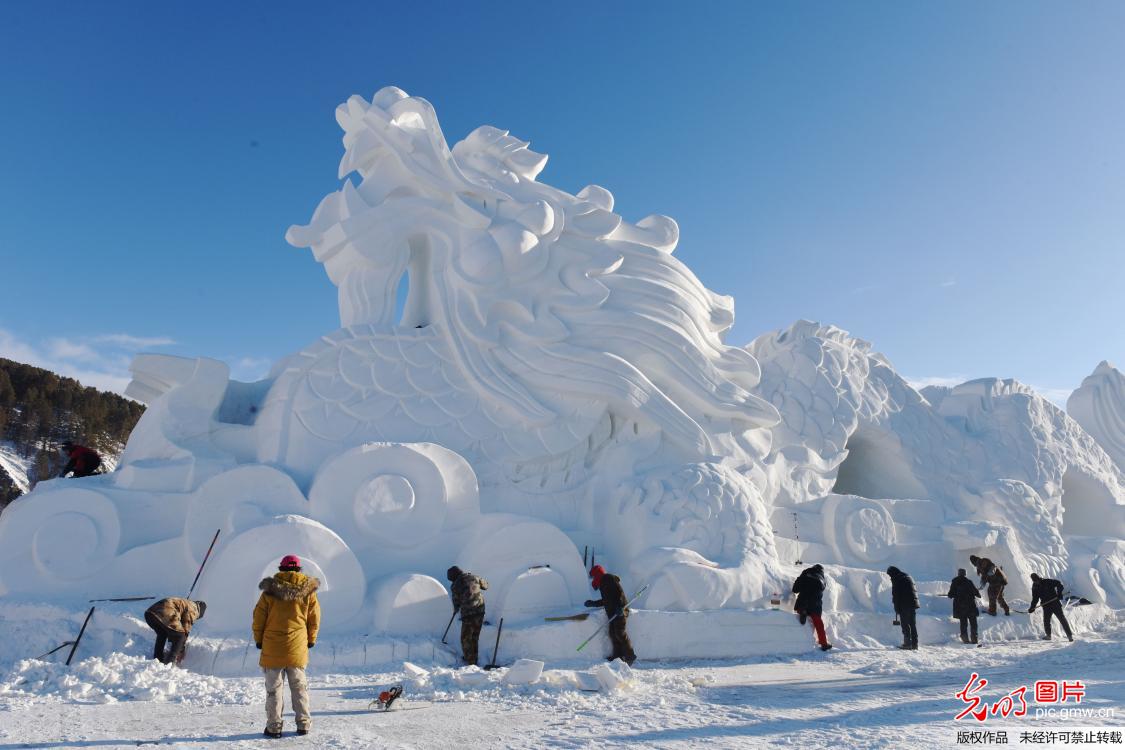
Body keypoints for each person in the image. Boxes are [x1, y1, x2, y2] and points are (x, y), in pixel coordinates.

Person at [252, 554, 320, 739]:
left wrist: (259, 639)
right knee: (299, 688)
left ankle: (274, 727)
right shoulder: (308, 591)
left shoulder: (269, 592)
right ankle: (304, 724)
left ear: (281, 569)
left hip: (273, 647)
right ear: (299, 569)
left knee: (274, 690)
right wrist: (311, 639)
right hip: (297, 647)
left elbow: (259, 617)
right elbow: (314, 619)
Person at [584, 564, 637, 665]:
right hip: (613, 613)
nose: (593, 579)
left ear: (597, 574)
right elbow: (606, 601)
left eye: (593, 576)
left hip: (620, 611)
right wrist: (593, 603)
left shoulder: (609, 578)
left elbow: (619, 593)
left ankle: (630, 656)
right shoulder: (602, 585)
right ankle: (617, 657)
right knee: (613, 634)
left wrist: (621, 607)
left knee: (620, 633)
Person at [447, 566, 489, 666]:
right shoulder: (475, 577)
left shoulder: (455, 586)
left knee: (465, 639)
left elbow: (456, 602)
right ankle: (473, 658)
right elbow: (486, 586)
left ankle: (470, 661)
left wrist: (455, 610)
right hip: (480, 611)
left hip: (468, 614)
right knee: (474, 637)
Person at [144, 597, 206, 665]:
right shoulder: (194, 609)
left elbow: (174, 629)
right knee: (180, 636)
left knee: (162, 634)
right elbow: (185, 629)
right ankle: (169, 663)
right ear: (200, 612)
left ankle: (157, 658)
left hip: (150, 613)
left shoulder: (186, 603)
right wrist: (181, 649)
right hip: (165, 612)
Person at [792, 564, 832, 651]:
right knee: (818, 623)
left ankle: (802, 611)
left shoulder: (806, 573)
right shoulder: (822, 580)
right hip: (815, 605)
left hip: (803, 602)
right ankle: (824, 643)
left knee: (802, 608)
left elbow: (795, 589)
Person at [1028, 573, 1074, 642]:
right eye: (1034, 581)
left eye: (1037, 580)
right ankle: (1048, 635)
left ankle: (1069, 636)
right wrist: (1032, 607)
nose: (1036, 582)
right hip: (1046, 605)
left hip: (1055, 603)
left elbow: (1059, 584)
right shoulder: (1035, 587)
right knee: (1046, 620)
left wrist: (1059, 593)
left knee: (1062, 619)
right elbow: (1035, 598)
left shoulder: (1047, 581)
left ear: (1038, 578)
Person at [887, 566, 920, 650]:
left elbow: (896, 595)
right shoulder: (908, 577)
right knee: (912, 624)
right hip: (912, 604)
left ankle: (907, 644)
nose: (890, 577)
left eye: (890, 575)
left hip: (904, 605)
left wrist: (897, 608)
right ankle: (914, 644)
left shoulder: (897, 579)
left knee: (905, 624)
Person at [947, 568, 982, 644]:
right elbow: (977, 594)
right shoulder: (969, 582)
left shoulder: (955, 582)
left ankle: (965, 639)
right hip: (971, 607)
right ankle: (974, 639)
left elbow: (950, 595)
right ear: (965, 574)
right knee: (973, 623)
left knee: (963, 623)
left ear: (958, 573)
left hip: (960, 607)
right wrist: (977, 593)